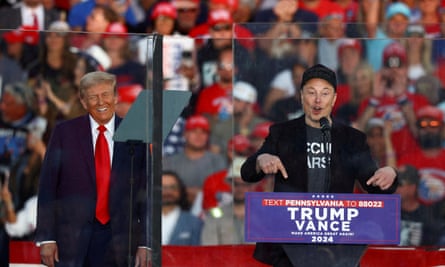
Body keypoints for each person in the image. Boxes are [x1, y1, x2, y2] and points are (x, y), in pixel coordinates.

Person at [241, 64, 398, 267]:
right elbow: (247, 173)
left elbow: (374, 184)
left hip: (337, 249)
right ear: (301, 96)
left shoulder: (351, 138)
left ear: (333, 99)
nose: (317, 100)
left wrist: (389, 173)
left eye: (325, 94)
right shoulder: (282, 133)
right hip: (289, 246)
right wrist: (261, 160)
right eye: (311, 93)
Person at [35, 71, 151, 267]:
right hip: (71, 241)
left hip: (122, 241)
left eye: (106, 94)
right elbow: (48, 186)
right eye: (92, 97)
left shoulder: (135, 135)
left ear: (116, 97)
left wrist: (146, 243)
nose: (100, 101)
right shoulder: (64, 133)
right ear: (83, 102)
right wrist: (47, 238)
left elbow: (146, 192)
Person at [201, 156, 256, 245]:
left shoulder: (265, 216)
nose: (240, 189)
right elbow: (209, 250)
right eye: (236, 184)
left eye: (245, 184)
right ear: (230, 185)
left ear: (253, 186)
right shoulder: (215, 215)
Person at [397, 164, 444, 246]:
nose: (395, 187)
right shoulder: (386, 212)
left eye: (400, 184)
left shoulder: (430, 217)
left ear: (413, 187)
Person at [161, 170, 203, 245]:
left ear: (180, 190)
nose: (168, 192)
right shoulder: (144, 221)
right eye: (163, 187)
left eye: (173, 187)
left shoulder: (195, 222)